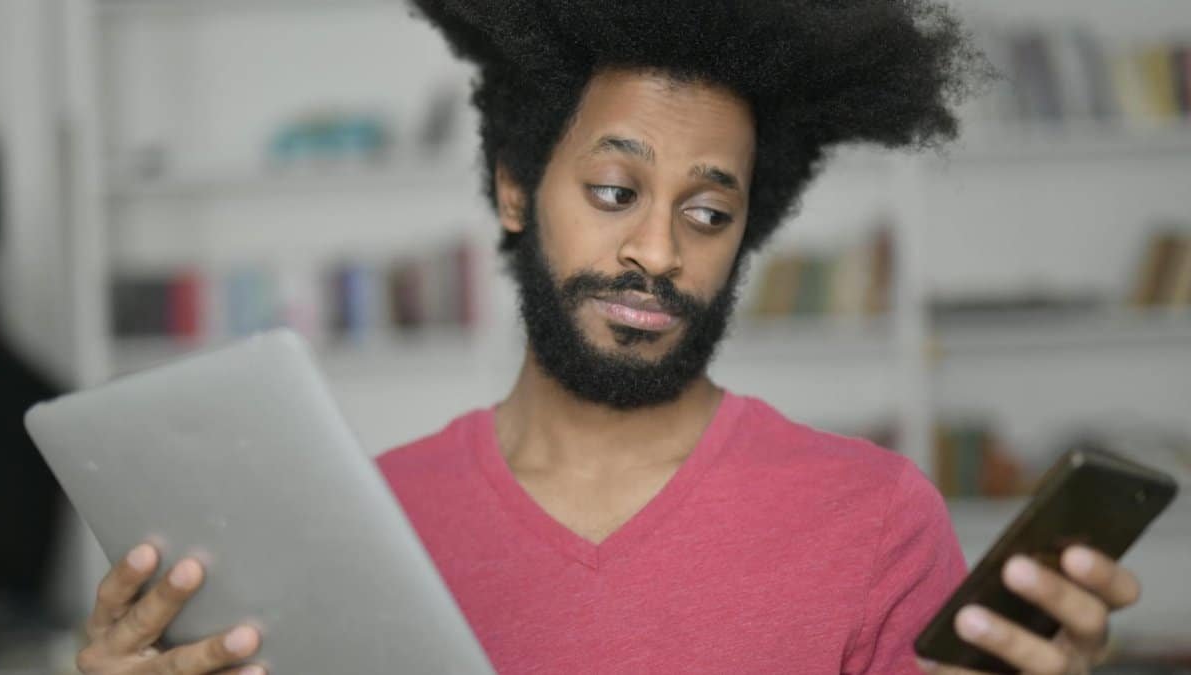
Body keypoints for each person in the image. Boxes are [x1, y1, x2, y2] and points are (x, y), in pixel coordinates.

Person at [74, 2, 1143, 674]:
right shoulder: (360, 527)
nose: (658, 252)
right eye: (615, 188)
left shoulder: (875, 521)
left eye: (709, 212)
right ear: (513, 187)